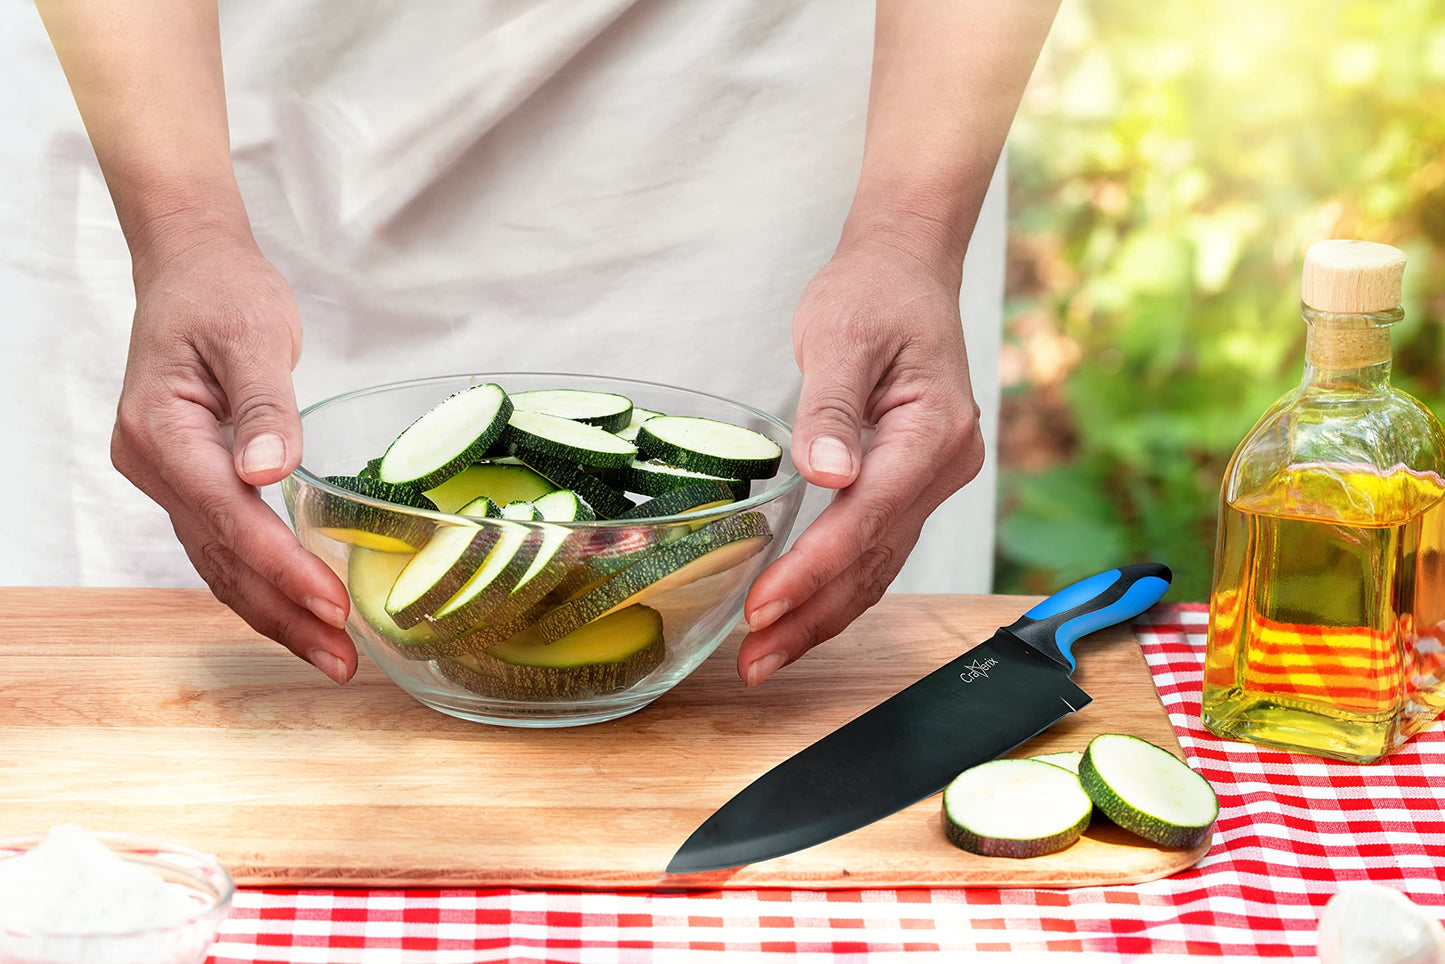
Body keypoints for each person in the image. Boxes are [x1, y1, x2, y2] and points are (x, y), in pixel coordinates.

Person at [23, 0, 1058, 687]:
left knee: (781, 650)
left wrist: (906, 236)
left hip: (771, 125)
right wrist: (185, 235)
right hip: (186, 101)